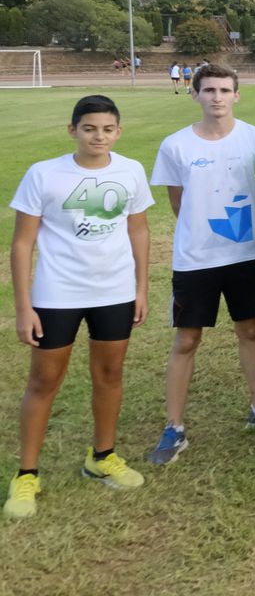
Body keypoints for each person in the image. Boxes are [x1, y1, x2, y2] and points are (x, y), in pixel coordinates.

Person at [5, 96, 153, 520]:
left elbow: (138, 231)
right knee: (43, 381)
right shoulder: (44, 174)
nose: (98, 137)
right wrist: (24, 306)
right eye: (89, 128)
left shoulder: (130, 171)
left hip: (114, 291)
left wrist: (141, 288)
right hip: (57, 295)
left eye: (107, 129)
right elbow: (22, 243)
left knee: (109, 375)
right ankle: (27, 473)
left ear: (118, 132)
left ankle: (102, 456)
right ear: (73, 130)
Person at [146, 65, 255, 467]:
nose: (217, 97)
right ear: (195, 95)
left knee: (250, 330)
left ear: (237, 95)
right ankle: (174, 426)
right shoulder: (176, 145)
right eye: (209, 90)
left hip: (245, 255)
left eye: (224, 89)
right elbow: (177, 201)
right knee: (186, 340)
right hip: (195, 260)